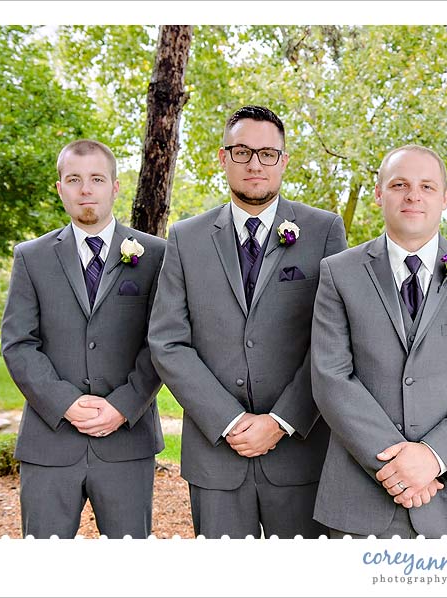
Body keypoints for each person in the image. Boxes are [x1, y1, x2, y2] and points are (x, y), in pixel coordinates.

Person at [148, 105, 347, 539]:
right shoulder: (185, 237)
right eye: (242, 152)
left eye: (267, 153)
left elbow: (333, 342)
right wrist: (227, 420)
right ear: (224, 158)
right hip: (216, 455)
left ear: (283, 161)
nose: (255, 164)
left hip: (300, 453)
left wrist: (281, 421)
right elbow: (168, 341)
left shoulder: (324, 231)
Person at [310, 145, 447, 538]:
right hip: (360, 496)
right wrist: (396, 465)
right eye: (399, 185)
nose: (413, 196)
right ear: (379, 193)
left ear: (445, 198)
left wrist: (433, 457)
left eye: (426, 186)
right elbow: (330, 376)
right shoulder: (338, 273)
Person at [1, 139, 165, 538]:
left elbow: (162, 341)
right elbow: (19, 343)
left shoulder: (156, 255)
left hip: (127, 443)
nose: (85, 189)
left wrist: (123, 406)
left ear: (115, 186)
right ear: (60, 188)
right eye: (74, 179)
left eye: (96, 179)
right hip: (50, 442)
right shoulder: (31, 257)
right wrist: (66, 403)